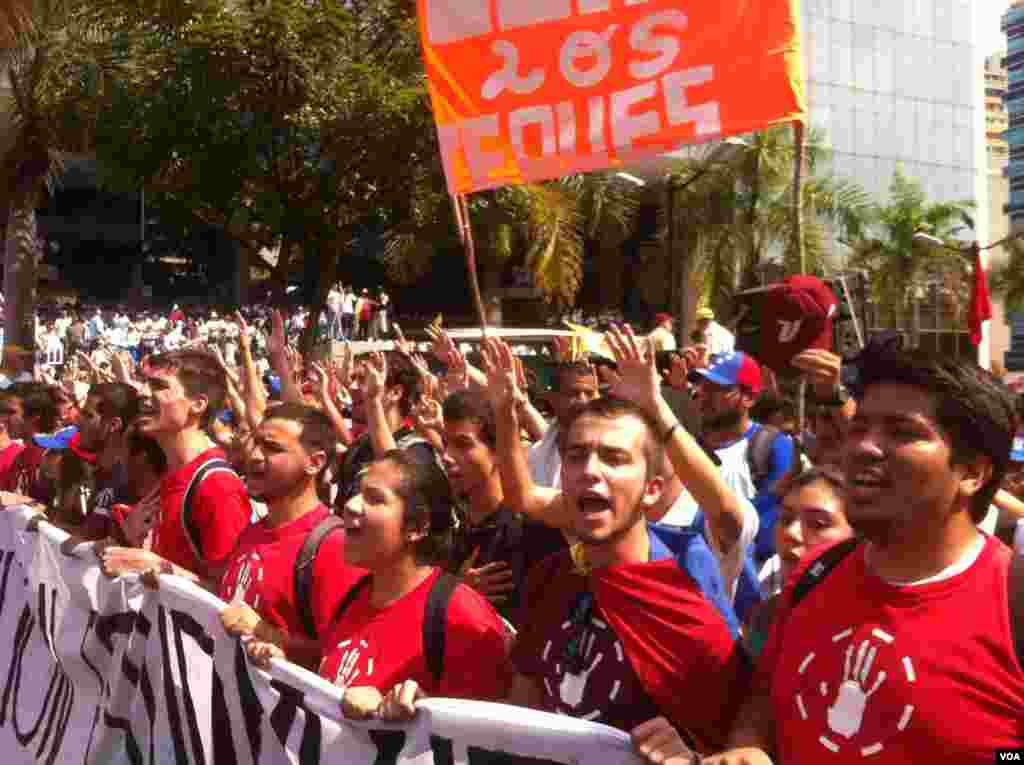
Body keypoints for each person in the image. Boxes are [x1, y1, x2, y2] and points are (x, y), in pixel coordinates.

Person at [649, 348, 1024, 765]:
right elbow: (765, 699)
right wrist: (748, 747)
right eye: (860, 427)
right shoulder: (817, 573)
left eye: (902, 432)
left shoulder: (1013, 603)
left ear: (973, 472)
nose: (864, 447)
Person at [467, 334, 748, 751]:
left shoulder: (684, 600)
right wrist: (505, 407)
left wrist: (690, 756)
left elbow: (731, 739)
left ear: (652, 489)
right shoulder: (553, 578)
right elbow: (522, 711)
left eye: (615, 459)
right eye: (576, 456)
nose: (590, 472)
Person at [248, 450, 511, 716]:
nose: (351, 505)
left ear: (417, 527)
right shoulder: (353, 597)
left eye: (374, 499)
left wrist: (419, 711)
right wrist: (284, 666)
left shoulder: (461, 618)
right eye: (357, 492)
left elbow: (486, 738)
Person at [218, 404, 365, 669]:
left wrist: (269, 635)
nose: (253, 456)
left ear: (315, 463)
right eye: (254, 443)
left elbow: (343, 663)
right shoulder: (253, 532)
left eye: (272, 448)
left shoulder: (334, 547)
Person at [100, 350, 252, 581]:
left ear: (198, 404)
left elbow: (229, 599)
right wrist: (130, 542)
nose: (142, 393)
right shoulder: (169, 475)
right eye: (144, 383)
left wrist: (157, 566)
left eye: (159, 386)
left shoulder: (217, 487)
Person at [441, 389, 565, 626]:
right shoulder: (450, 525)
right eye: (446, 443)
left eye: (463, 444)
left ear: (499, 451)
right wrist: (456, 593)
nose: (447, 456)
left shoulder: (534, 531)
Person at [695, 351, 794, 564]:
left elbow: (768, 532)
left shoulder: (775, 446)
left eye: (719, 389)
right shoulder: (689, 448)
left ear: (749, 398)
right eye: (703, 386)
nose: (704, 395)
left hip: (753, 586)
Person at [745, 466, 853, 658]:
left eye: (818, 524)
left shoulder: (872, 636)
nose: (791, 533)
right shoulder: (765, 619)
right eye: (786, 519)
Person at [527, 360, 600, 489]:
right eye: (573, 393)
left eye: (589, 393)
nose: (583, 401)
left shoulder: (612, 449)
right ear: (552, 399)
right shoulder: (534, 455)